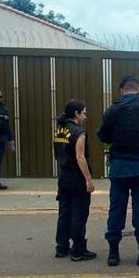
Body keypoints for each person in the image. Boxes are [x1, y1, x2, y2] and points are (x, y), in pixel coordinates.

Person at [97, 76, 139, 267]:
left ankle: (113, 254)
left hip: (119, 168)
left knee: (116, 209)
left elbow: (103, 136)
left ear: (121, 90)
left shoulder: (112, 110)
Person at [53, 100, 97, 261]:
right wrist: (88, 179)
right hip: (77, 178)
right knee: (79, 213)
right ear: (76, 114)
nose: (85, 116)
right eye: (83, 113)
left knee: (64, 213)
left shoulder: (60, 130)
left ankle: (61, 247)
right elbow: (80, 157)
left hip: (63, 176)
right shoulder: (79, 132)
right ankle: (78, 249)